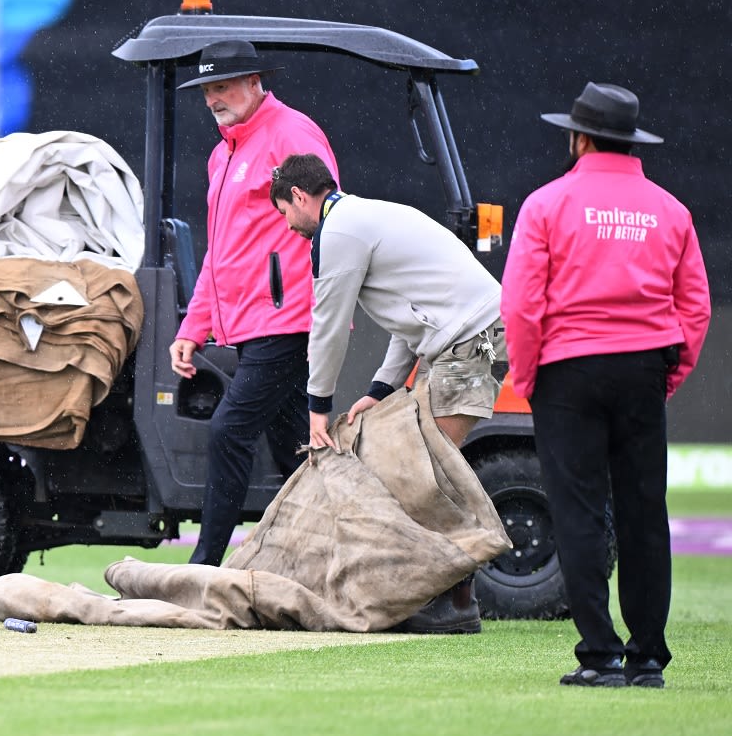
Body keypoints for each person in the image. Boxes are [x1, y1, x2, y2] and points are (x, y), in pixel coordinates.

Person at [501, 83, 709, 688]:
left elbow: (522, 303)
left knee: (580, 512)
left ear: (580, 137)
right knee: (645, 513)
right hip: (643, 367)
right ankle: (648, 657)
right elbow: (693, 307)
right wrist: (671, 371)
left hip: (567, 370)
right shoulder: (670, 210)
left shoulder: (546, 204)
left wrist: (528, 373)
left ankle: (600, 655)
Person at [269, 151, 506, 633]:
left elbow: (329, 329)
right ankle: (450, 597)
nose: (288, 226)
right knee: (423, 466)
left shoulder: (337, 234)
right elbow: (409, 316)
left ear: (298, 196)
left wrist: (318, 409)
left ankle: (453, 603)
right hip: (469, 338)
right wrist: (381, 388)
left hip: (469, 343)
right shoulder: (369, 216)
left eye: (284, 213)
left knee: (428, 473)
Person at [168, 40, 339, 566]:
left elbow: (331, 220)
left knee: (229, 430)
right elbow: (222, 252)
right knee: (297, 454)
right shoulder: (223, 153)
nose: (212, 98)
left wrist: (322, 312)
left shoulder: (290, 133)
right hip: (253, 325)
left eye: (221, 87)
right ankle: (322, 562)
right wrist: (193, 328)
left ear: (254, 82)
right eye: (206, 90)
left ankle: (205, 564)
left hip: (286, 322)